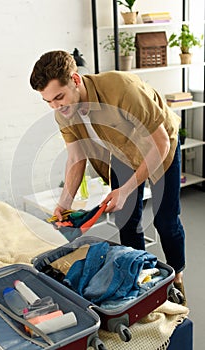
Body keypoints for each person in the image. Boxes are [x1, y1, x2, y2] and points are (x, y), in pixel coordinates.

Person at [30, 50, 186, 304]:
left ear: (76, 80)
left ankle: (177, 277)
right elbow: (76, 157)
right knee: (126, 220)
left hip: (160, 148)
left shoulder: (123, 89)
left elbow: (160, 144)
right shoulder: (63, 112)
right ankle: (138, 276)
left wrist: (125, 189)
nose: (56, 107)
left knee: (165, 221)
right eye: (48, 102)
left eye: (59, 97)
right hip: (123, 150)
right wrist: (65, 203)